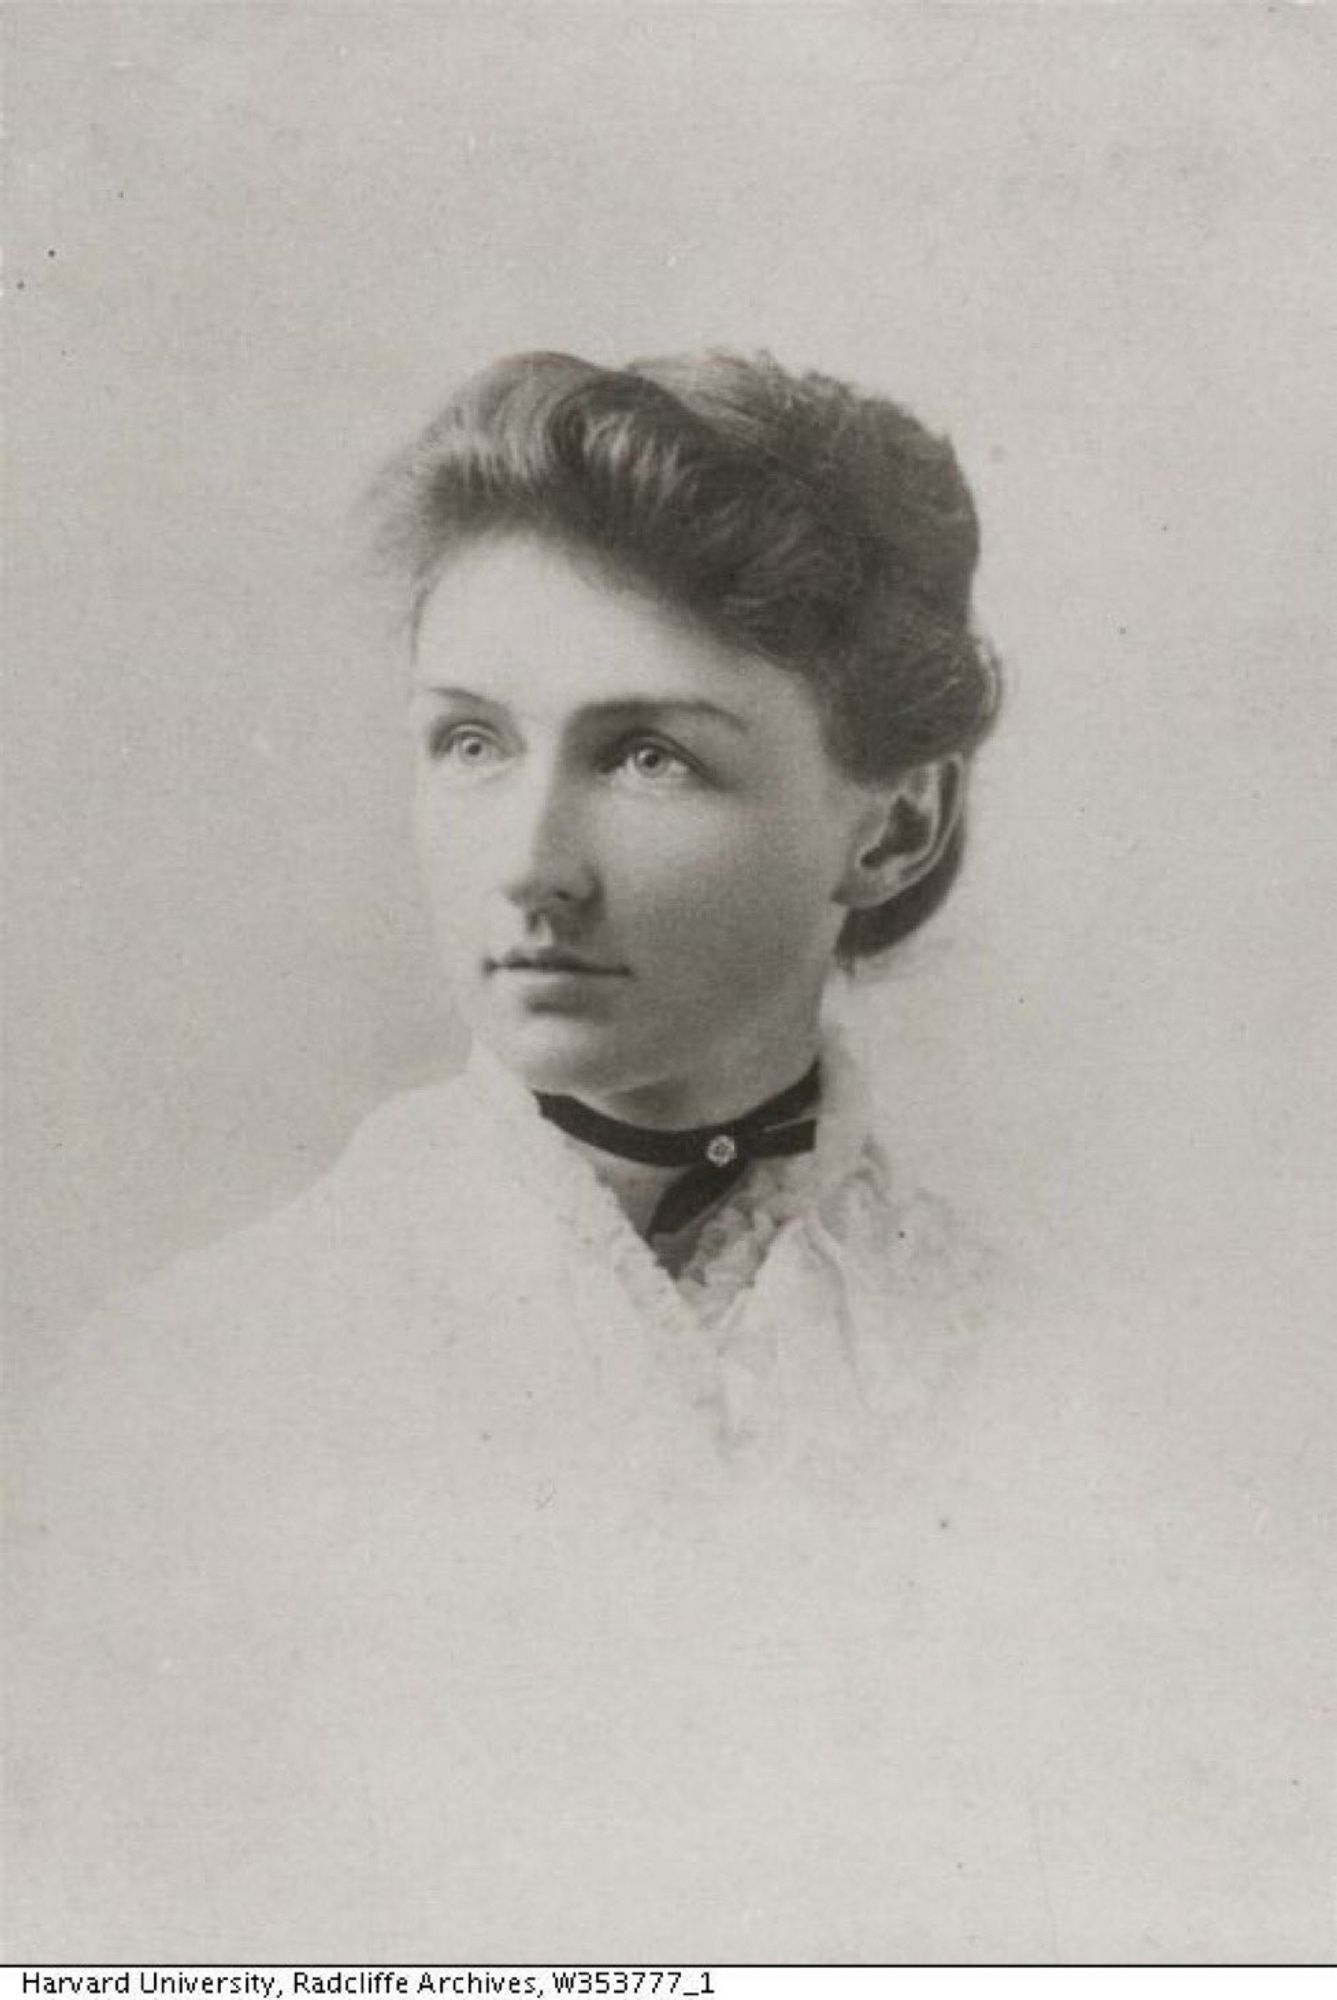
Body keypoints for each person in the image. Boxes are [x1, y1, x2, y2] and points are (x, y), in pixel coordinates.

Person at [12, 353, 1320, 1964]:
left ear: (891, 827)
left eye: (647, 756)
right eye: (472, 743)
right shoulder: (192, 1392)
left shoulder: (1073, 1407)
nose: (531, 870)